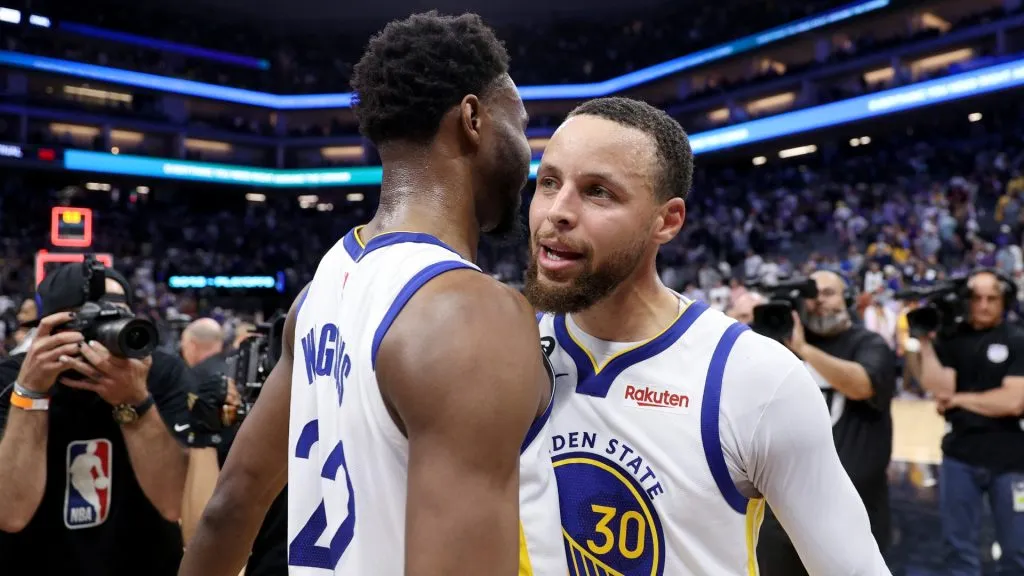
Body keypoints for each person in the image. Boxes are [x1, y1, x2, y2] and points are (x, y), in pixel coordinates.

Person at [180, 12, 567, 576]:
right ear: (473, 118)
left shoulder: (320, 291)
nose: (527, 153)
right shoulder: (469, 311)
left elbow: (228, 507)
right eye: (521, 124)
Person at [526, 96, 889, 575]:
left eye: (598, 192)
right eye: (548, 182)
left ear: (668, 220)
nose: (557, 211)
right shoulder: (512, 349)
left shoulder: (756, 378)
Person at [0, 261, 194, 576]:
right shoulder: (11, 380)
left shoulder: (161, 372)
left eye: (117, 317)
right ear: (50, 329)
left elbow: (175, 502)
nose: (104, 335)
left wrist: (135, 402)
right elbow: (10, 513)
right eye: (89, 321)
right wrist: (31, 394)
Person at [758, 270, 896, 575]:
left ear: (848, 299)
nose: (818, 301)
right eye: (811, 294)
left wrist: (804, 349)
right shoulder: (773, 349)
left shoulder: (868, 344)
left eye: (828, 293)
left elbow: (862, 384)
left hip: (854, 507)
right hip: (784, 508)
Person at [906, 269, 1024, 574]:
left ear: (1004, 301)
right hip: (960, 456)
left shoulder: (1017, 339)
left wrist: (959, 400)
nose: (983, 305)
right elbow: (939, 388)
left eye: (991, 298)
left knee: (1016, 553)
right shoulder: (951, 338)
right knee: (958, 553)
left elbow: (1012, 402)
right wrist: (925, 342)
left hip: (1012, 461)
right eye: (976, 298)